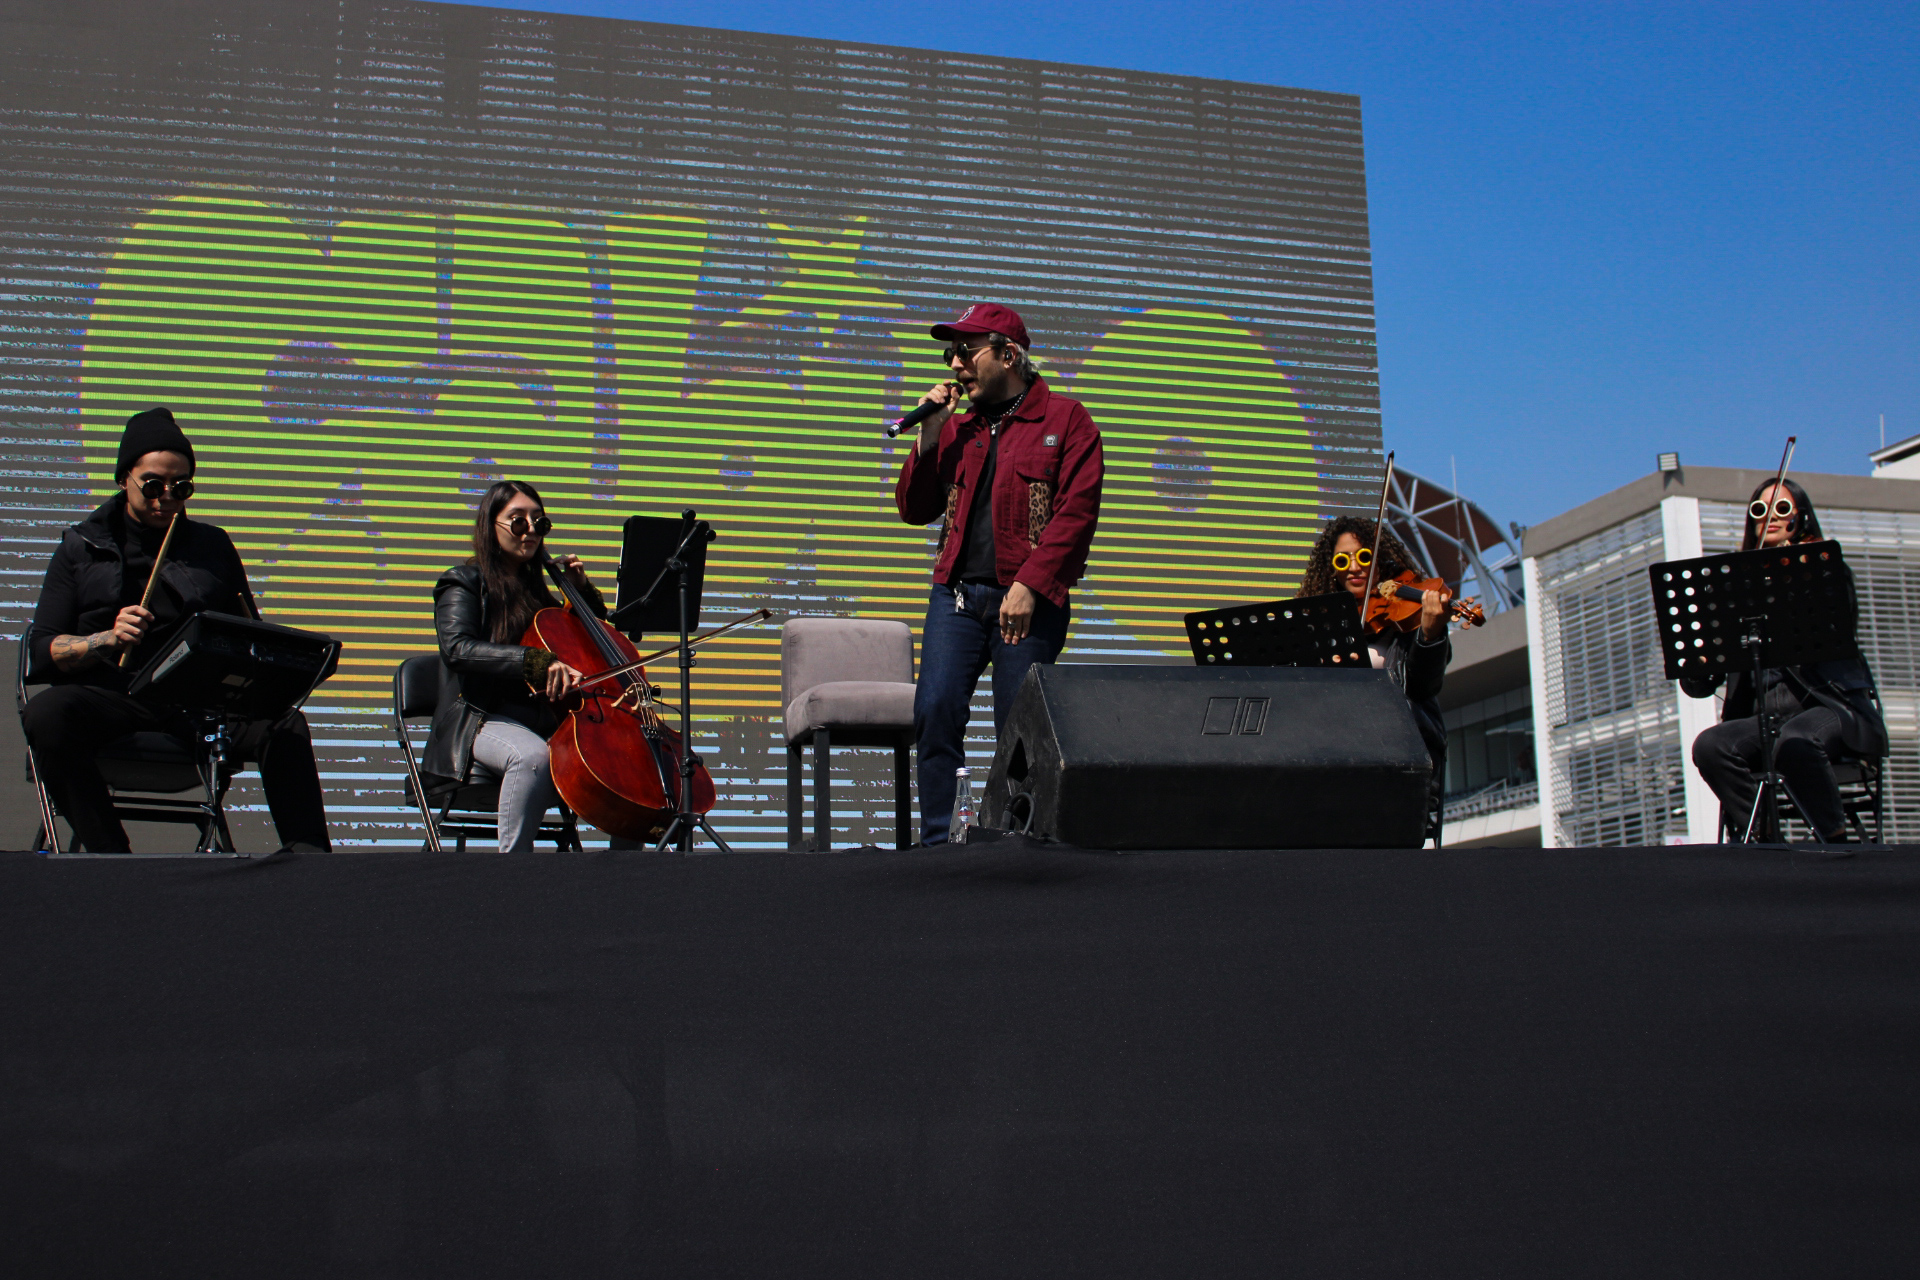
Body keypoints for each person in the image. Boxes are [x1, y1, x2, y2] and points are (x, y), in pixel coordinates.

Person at [23, 407, 332, 852]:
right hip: (112, 695)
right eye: (152, 484)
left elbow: (251, 632)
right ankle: (109, 854)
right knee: (47, 714)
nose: (165, 497)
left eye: (180, 487)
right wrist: (105, 639)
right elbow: (42, 649)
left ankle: (310, 860)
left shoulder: (212, 545)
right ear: (123, 477)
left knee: (283, 725)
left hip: (194, 699)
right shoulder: (81, 546)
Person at [894, 304, 1103, 845]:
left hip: (1028, 598)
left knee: (1020, 730)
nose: (955, 363)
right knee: (935, 708)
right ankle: (939, 842)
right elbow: (915, 508)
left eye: (966, 351)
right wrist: (931, 433)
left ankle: (1016, 842)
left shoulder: (1065, 420)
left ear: (1008, 354)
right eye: (950, 353)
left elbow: (1076, 514)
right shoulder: (960, 429)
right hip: (957, 597)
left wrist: (1030, 584)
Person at [1683, 478, 1886, 843]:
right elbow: (1700, 685)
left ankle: (1833, 836)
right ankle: (1763, 839)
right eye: (1760, 510)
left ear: (1800, 517)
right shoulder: (1734, 588)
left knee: (1796, 740)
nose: (1770, 518)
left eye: (1782, 509)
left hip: (1829, 705)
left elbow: (1840, 627)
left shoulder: (1825, 570)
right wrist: (1701, 658)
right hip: (1766, 717)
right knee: (1711, 746)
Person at [422, 480, 603, 852]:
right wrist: (533, 662)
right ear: (491, 527)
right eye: (518, 521)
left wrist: (580, 592)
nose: (531, 530)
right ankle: (513, 879)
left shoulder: (540, 595)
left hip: (540, 717)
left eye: (540, 522)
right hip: (480, 717)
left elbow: (594, 645)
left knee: (623, 765)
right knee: (532, 758)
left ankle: (627, 886)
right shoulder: (464, 581)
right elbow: (458, 648)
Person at [1297, 516, 1451, 791]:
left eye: (1364, 557)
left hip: (1398, 754)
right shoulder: (1321, 624)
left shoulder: (1407, 620)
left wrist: (1430, 634)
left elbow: (1422, 686)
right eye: (1342, 561)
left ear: (1380, 559)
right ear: (1331, 569)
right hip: (1337, 754)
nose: (1354, 568)